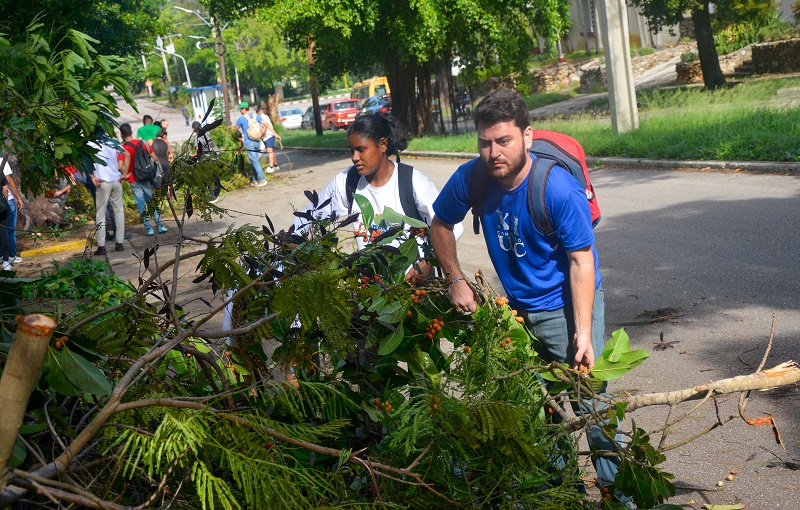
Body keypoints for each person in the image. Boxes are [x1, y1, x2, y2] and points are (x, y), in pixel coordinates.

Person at [429, 88, 627, 501]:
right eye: (485, 142)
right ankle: (561, 495)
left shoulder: (556, 189)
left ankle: (619, 495)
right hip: (516, 314)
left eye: (504, 141)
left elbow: (581, 262)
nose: (493, 152)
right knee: (540, 409)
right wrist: (454, 279)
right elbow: (440, 223)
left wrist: (583, 333)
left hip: (566, 309)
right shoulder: (473, 176)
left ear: (528, 137)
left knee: (593, 408)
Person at [293, 113, 462, 277]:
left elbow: (454, 227)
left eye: (361, 149)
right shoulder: (347, 182)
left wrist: (427, 262)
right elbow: (310, 216)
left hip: (415, 290)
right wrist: (290, 242)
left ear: (382, 144)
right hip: (372, 290)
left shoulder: (412, 182)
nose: (355, 157)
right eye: (351, 150)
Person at [120, 123, 168, 236]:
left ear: (121, 135)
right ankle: (160, 226)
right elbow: (154, 157)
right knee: (151, 201)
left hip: (133, 179)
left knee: (141, 204)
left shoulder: (124, 148)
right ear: (131, 131)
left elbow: (120, 165)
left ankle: (149, 229)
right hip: (146, 176)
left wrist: (124, 174)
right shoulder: (143, 143)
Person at [88, 136, 126, 255]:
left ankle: (101, 246)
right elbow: (127, 154)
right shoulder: (112, 142)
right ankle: (120, 243)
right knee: (119, 211)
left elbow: (83, 162)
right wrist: (124, 173)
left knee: (101, 213)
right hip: (116, 181)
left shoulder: (90, 143)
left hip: (102, 182)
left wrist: (92, 177)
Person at [235, 102, 268, 187]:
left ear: (243, 109)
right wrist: (261, 133)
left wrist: (240, 138)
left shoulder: (241, 119)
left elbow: (235, 130)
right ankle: (255, 180)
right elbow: (265, 125)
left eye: (240, 109)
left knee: (255, 162)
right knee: (255, 162)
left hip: (249, 143)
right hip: (257, 141)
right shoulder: (256, 116)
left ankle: (263, 179)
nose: (240, 111)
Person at [1, 157, 24, 266]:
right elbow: (8, 181)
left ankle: (2, 255)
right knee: (9, 229)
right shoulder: (1, 160)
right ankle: (10, 255)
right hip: (6, 201)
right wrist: (18, 197)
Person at [256, 104, 282, 174]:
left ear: (261, 110)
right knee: (271, 151)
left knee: (269, 150)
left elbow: (265, 127)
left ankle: (271, 167)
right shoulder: (260, 117)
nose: (258, 112)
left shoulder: (264, 117)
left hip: (269, 135)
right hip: (266, 136)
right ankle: (276, 165)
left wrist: (261, 134)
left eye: (258, 110)